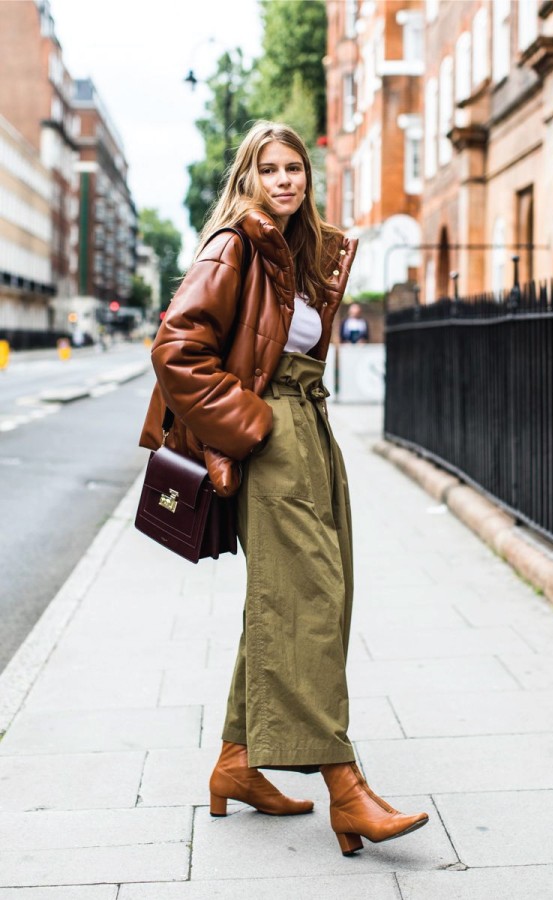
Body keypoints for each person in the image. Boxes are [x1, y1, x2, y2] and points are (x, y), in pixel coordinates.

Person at [139, 121, 428, 856]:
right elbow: (175, 347)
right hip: (272, 438)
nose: (284, 180)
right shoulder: (233, 245)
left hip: (311, 430)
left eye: (294, 167)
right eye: (269, 169)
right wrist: (250, 426)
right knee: (308, 598)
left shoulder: (297, 252)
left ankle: (236, 763)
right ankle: (346, 788)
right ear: (248, 178)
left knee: (297, 594)